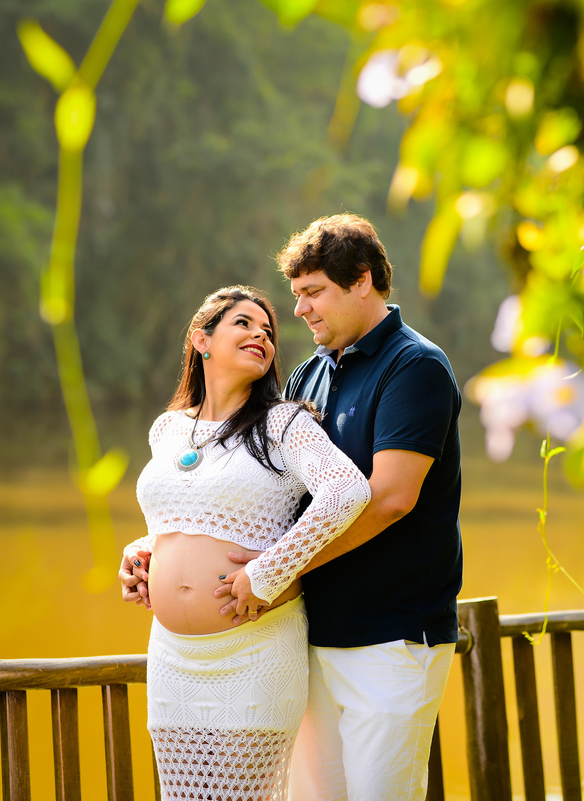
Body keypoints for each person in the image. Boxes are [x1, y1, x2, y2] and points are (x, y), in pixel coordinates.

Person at [224, 214, 463, 800]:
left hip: (393, 641)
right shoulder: (309, 373)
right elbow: (264, 490)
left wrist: (277, 570)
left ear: (362, 281)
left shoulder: (415, 366)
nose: (300, 310)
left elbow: (389, 500)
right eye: (296, 295)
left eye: (313, 293)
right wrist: (160, 546)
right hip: (309, 636)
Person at [121, 285, 371, 801]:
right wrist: (143, 552)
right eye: (243, 323)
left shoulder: (284, 423)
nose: (261, 334)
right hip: (172, 658)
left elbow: (348, 490)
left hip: (254, 650)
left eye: (268, 331)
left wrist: (269, 571)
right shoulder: (167, 429)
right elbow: (184, 515)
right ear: (201, 339)